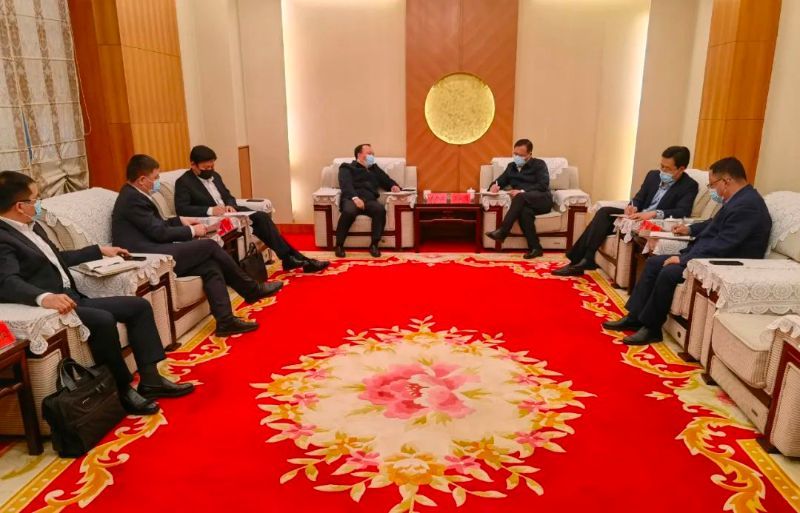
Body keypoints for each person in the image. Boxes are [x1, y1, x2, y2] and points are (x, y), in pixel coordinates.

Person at [0, 171, 194, 415]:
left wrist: (99, 250)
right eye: (36, 199)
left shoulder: (32, 227)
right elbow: (7, 281)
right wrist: (44, 297)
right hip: (57, 306)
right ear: (20, 206)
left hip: (73, 296)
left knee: (138, 306)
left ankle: (151, 380)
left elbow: (57, 259)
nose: (39, 204)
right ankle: (122, 390)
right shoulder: (3, 238)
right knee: (103, 319)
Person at [603, 157, 771, 345]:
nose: (712, 190)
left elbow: (724, 245)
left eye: (712, 185)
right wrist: (690, 229)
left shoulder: (748, 206)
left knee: (669, 272)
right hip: (708, 254)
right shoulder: (739, 199)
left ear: (726, 181)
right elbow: (713, 224)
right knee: (653, 263)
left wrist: (684, 259)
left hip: (725, 263)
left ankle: (652, 328)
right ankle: (635, 318)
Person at [112, 155, 281, 337]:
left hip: (154, 246)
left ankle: (225, 322)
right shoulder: (132, 199)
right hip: (147, 254)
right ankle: (251, 289)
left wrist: (181, 221)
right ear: (142, 180)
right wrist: (193, 231)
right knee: (208, 246)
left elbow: (156, 224)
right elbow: (158, 232)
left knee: (210, 266)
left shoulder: (135, 195)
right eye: (155, 178)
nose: (158, 182)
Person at [174, 145, 328, 273]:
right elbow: (182, 209)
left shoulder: (215, 176)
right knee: (262, 223)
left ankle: (290, 258)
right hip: (213, 219)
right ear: (193, 165)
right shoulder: (184, 182)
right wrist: (210, 210)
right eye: (205, 167)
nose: (210, 170)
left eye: (212, 166)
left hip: (232, 212)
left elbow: (228, 196)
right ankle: (294, 259)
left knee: (261, 217)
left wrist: (230, 204)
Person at [553, 146, 699, 276]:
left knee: (604, 220)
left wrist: (654, 213)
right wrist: (633, 206)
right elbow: (639, 197)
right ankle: (587, 258)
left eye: (667, 169)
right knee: (604, 212)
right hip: (637, 215)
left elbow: (683, 210)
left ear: (681, 169)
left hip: (653, 221)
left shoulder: (689, 185)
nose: (662, 171)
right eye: (661, 166)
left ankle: (583, 259)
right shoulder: (653, 175)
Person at [484, 139, 552, 259]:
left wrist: (522, 191)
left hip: (542, 200)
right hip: (523, 203)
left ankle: (503, 231)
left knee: (520, 196)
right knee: (524, 212)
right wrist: (494, 186)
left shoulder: (539, 164)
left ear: (529, 154)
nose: (517, 157)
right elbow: (499, 181)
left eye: (521, 155)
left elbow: (543, 185)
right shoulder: (511, 167)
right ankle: (536, 248)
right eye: (515, 154)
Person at [334, 144, 401, 258]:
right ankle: (339, 245)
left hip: (369, 199)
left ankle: (374, 245)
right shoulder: (346, 167)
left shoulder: (374, 168)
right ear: (359, 155)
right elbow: (345, 184)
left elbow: (386, 180)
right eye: (369, 153)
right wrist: (355, 198)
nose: (372, 156)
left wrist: (393, 186)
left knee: (380, 210)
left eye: (373, 154)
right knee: (349, 211)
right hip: (352, 198)